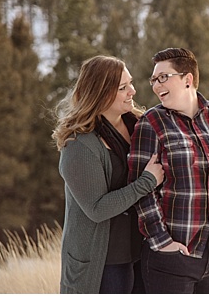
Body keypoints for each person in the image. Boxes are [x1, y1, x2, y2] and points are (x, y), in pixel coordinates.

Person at [128, 48, 209, 293]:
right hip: (172, 258)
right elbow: (141, 188)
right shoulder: (151, 123)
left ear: (187, 79)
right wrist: (162, 241)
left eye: (163, 77)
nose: (156, 85)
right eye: (154, 79)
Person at [52, 56, 167, 294]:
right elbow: (97, 209)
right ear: (101, 93)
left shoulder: (139, 125)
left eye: (131, 83)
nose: (132, 91)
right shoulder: (79, 145)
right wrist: (146, 182)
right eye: (123, 88)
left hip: (143, 251)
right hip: (105, 263)